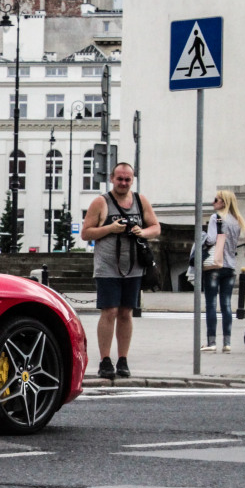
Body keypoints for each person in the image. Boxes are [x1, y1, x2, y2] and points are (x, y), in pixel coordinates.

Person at [80, 162, 161, 379]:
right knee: (109, 312)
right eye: (120, 179)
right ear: (112, 178)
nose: (123, 183)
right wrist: (111, 228)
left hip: (134, 267)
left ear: (132, 180)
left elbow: (156, 227)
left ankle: (123, 359)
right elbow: (85, 233)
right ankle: (105, 360)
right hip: (107, 267)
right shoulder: (101, 202)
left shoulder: (140, 200)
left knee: (126, 313)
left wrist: (141, 232)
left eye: (127, 179)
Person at [201, 190, 245, 353]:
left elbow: (212, 239)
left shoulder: (216, 218)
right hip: (230, 266)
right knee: (226, 304)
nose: (213, 203)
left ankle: (211, 342)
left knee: (211, 303)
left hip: (215, 265)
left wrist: (202, 237)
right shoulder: (237, 221)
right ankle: (227, 342)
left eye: (216, 199)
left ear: (224, 202)